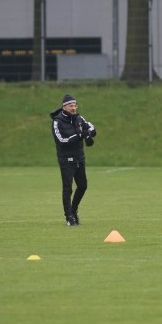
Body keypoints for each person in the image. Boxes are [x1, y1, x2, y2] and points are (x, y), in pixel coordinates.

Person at [50, 94, 97, 226]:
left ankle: (74, 210)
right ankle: (69, 217)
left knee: (82, 186)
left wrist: (87, 134)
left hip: (79, 157)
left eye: (75, 105)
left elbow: (92, 128)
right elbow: (61, 140)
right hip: (66, 159)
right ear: (64, 107)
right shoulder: (57, 121)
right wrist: (79, 135)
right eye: (70, 105)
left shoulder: (79, 118)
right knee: (67, 188)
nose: (73, 108)